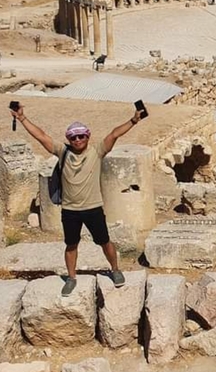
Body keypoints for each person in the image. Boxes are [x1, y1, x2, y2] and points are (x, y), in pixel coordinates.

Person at [11, 104, 145, 296]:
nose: (78, 139)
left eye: (81, 135)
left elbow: (114, 134)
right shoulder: (62, 151)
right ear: (69, 139)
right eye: (73, 137)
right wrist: (22, 118)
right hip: (70, 210)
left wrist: (133, 120)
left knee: (104, 241)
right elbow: (41, 136)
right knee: (71, 244)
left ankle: (115, 269)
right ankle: (71, 278)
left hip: (93, 207)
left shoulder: (97, 151)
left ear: (87, 136)